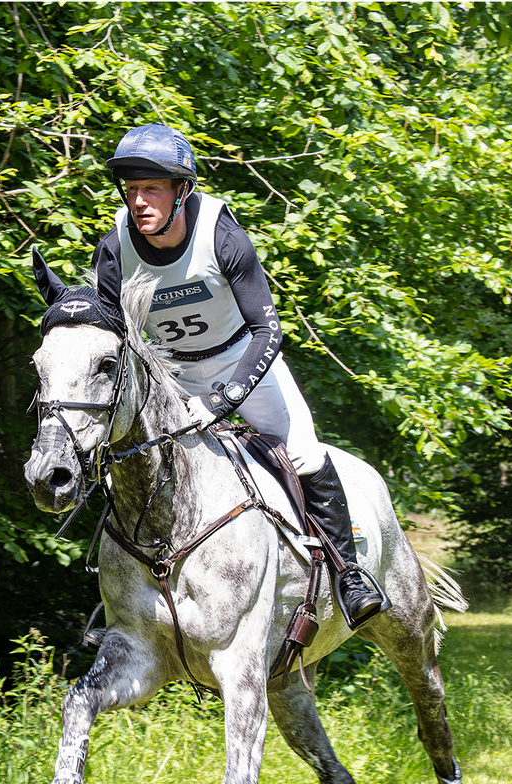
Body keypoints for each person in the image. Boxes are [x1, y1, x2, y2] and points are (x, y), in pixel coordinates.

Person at [91, 122, 387, 628]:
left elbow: (268, 331)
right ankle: (116, 596)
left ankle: (349, 572)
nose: (139, 201)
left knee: (303, 453)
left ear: (182, 190)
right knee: (128, 465)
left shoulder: (222, 236)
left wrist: (222, 400)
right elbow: (107, 331)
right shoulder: (116, 247)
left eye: (153, 188)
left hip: (241, 358)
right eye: (133, 189)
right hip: (169, 375)